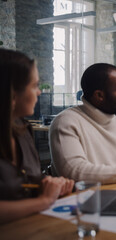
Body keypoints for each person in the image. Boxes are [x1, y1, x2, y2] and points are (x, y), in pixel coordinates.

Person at [0, 49, 74, 224]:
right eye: (34, 86)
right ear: (11, 94)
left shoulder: (23, 130)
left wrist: (49, 185)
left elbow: (31, 180)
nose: (39, 92)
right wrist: (44, 201)